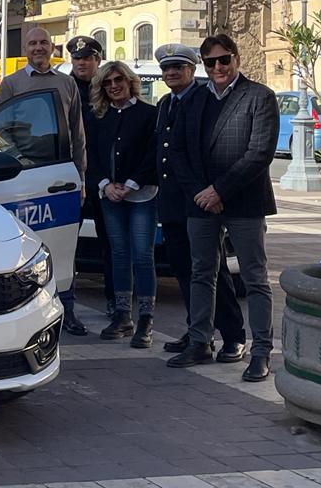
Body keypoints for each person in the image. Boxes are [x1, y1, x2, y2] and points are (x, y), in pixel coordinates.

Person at [166, 34, 278, 382]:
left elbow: (259, 153)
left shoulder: (259, 96)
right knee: (202, 273)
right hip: (201, 203)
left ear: (236, 59)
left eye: (224, 59)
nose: (218, 67)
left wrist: (219, 190)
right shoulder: (194, 99)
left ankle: (260, 350)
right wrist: (200, 193)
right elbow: (177, 151)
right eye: (210, 62)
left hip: (244, 202)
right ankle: (200, 341)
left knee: (254, 278)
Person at [154, 43, 246, 362]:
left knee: (212, 271)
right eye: (166, 69)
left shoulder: (203, 99)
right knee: (183, 270)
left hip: (199, 200)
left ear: (192, 70)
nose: (171, 73)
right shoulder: (165, 103)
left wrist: (207, 193)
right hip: (171, 202)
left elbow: (207, 152)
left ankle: (233, 335)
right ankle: (197, 331)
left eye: (178, 68)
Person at [0, 26, 87, 336]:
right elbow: (1, 132)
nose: (38, 47)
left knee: (64, 249)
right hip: (23, 181)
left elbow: (77, 133)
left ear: (52, 47)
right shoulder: (11, 83)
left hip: (59, 179)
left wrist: (80, 177)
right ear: (25, 48)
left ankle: (68, 310)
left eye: (44, 42)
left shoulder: (66, 83)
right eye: (33, 43)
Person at [88, 62, 158, 347]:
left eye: (118, 80)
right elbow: (91, 155)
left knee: (142, 255)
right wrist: (105, 184)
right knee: (119, 254)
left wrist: (130, 183)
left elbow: (153, 154)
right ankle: (122, 314)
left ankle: (146, 318)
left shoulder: (148, 113)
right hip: (110, 194)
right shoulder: (98, 116)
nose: (114, 86)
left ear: (130, 82)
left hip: (141, 193)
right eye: (107, 83)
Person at [66, 35, 114, 316]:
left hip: (105, 179)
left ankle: (116, 303)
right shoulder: (63, 88)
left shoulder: (109, 88)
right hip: (70, 180)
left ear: (97, 60)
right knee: (66, 246)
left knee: (113, 245)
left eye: (87, 58)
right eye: (77, 58)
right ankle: (66, 307)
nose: (81, 63)